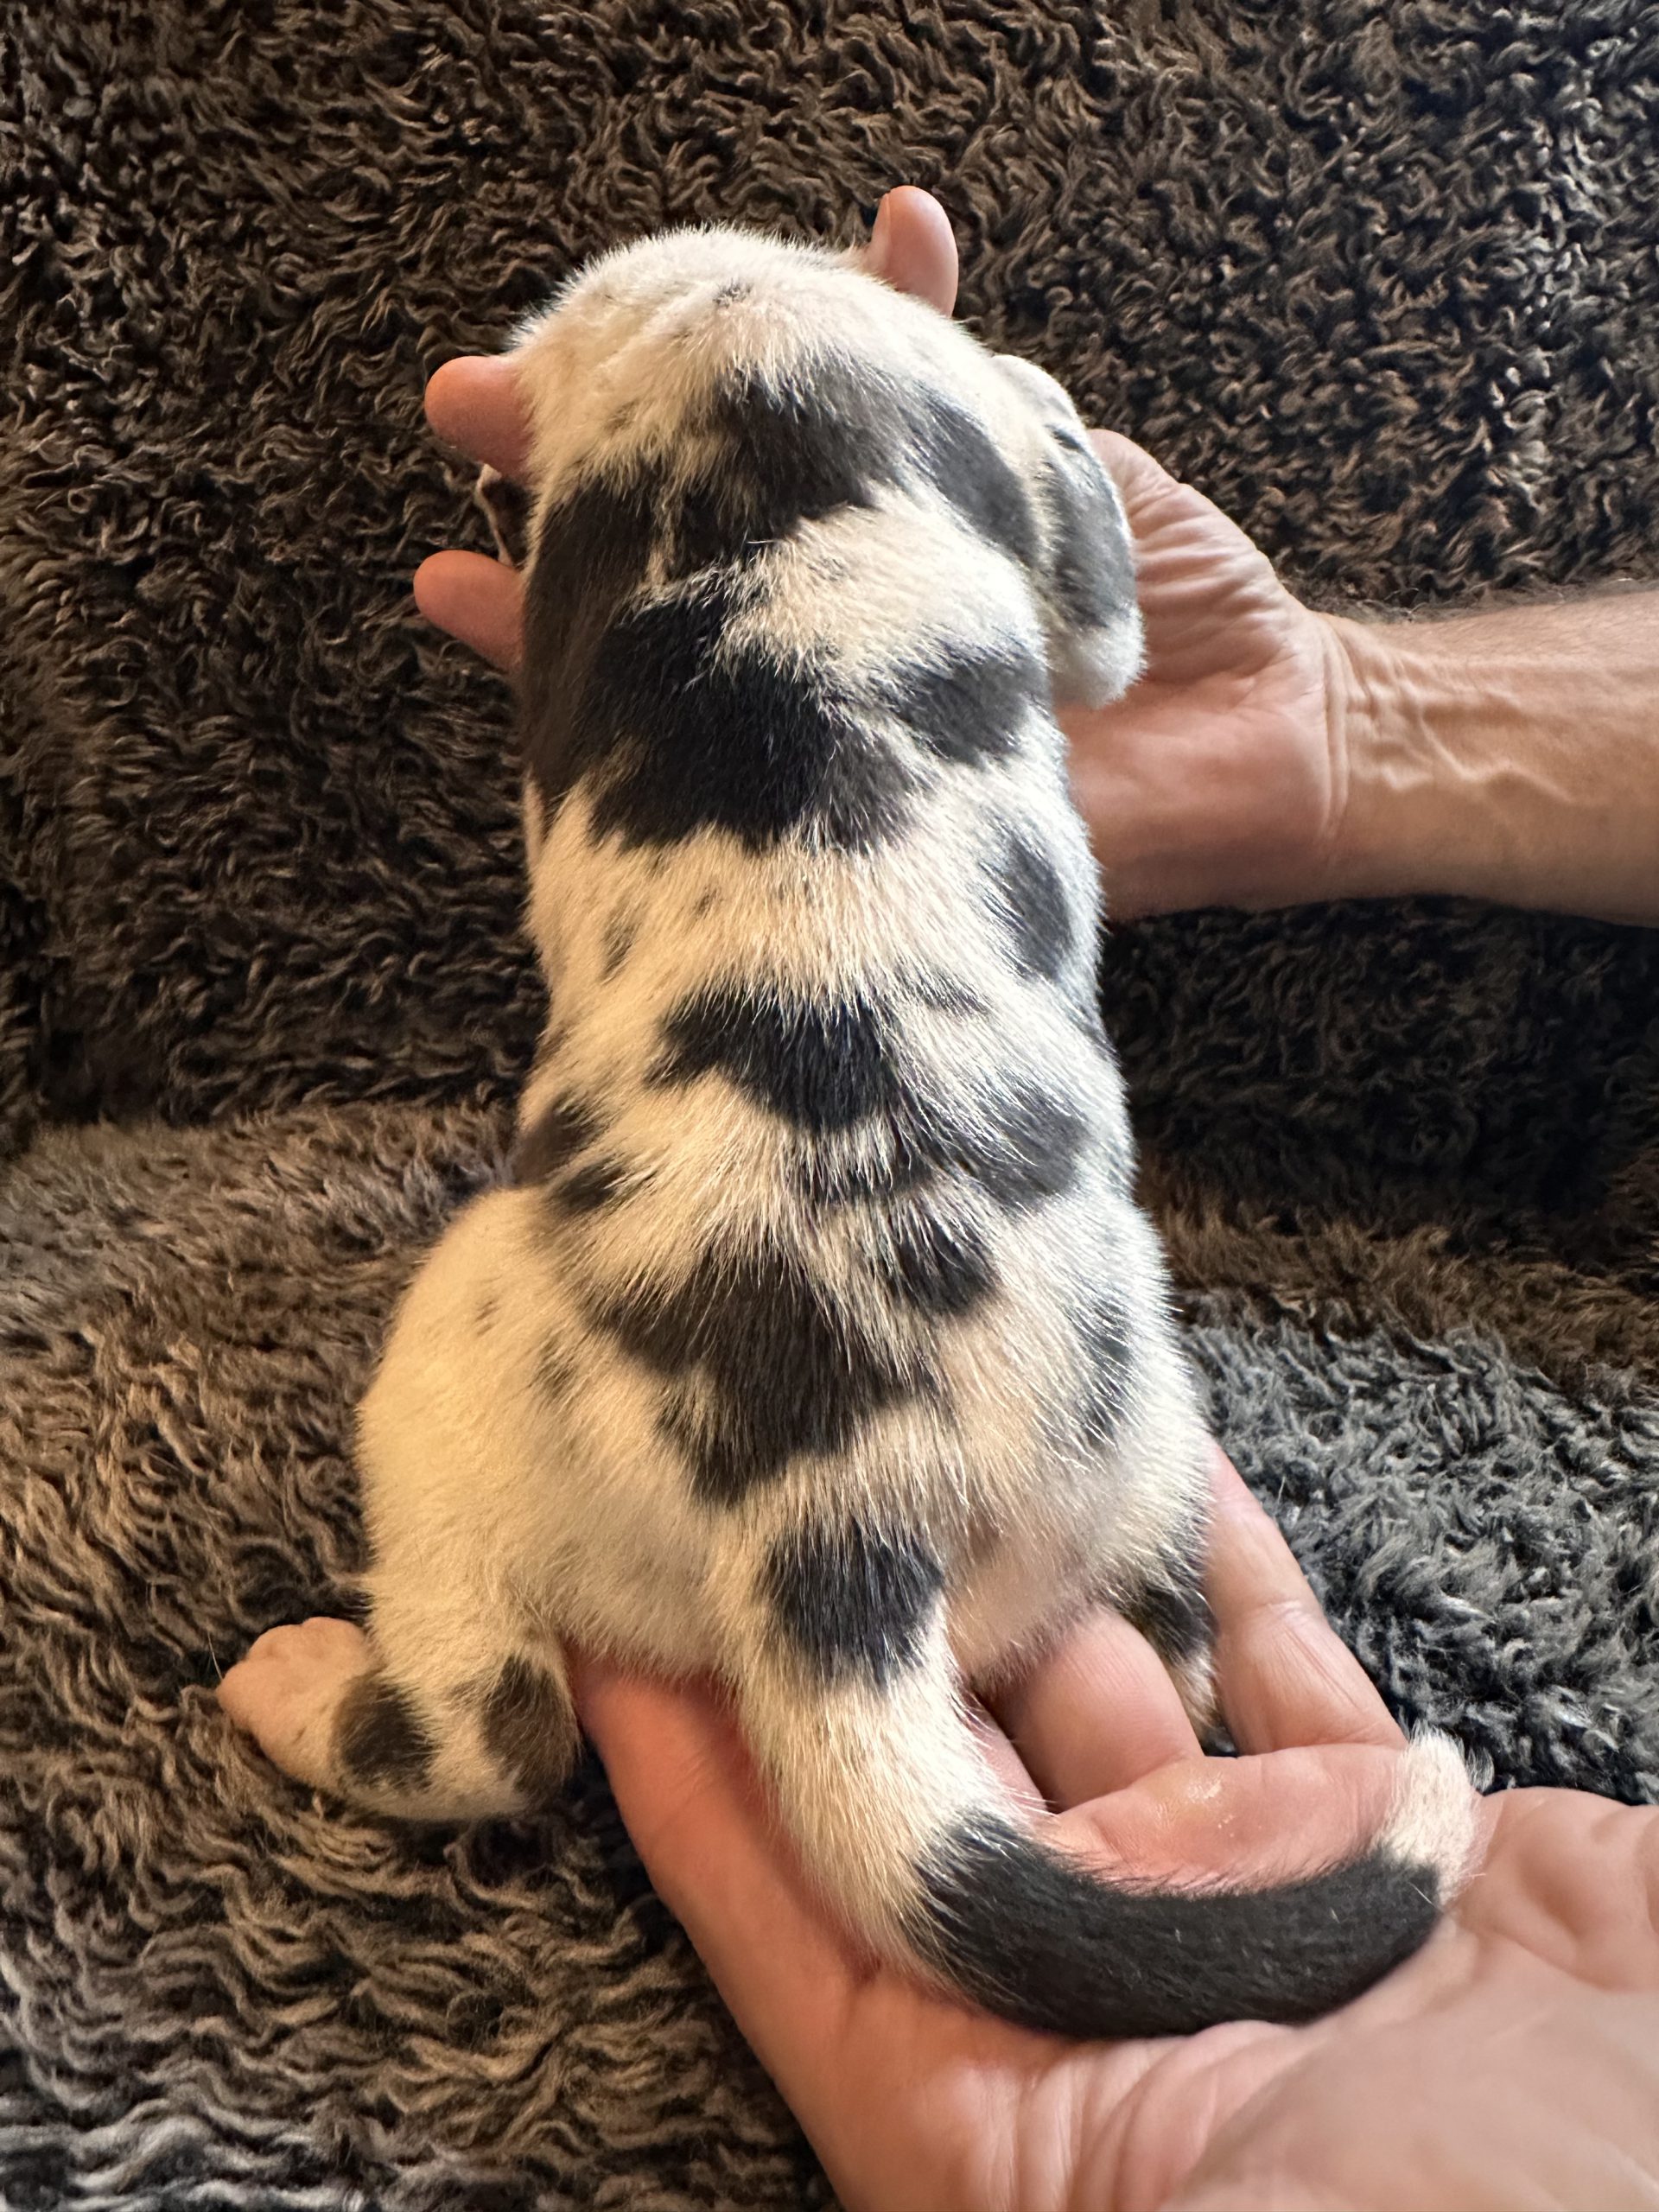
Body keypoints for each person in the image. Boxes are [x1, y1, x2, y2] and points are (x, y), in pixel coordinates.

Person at [411, 189, 1659, 2212]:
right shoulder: (991, 403)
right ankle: (1146, 1600)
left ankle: (458, 1684)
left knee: (489, 1261)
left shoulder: (581, 522)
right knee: (1086, 1242)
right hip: (1044, 1437)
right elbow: (1100, 641)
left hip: (669, 1490)